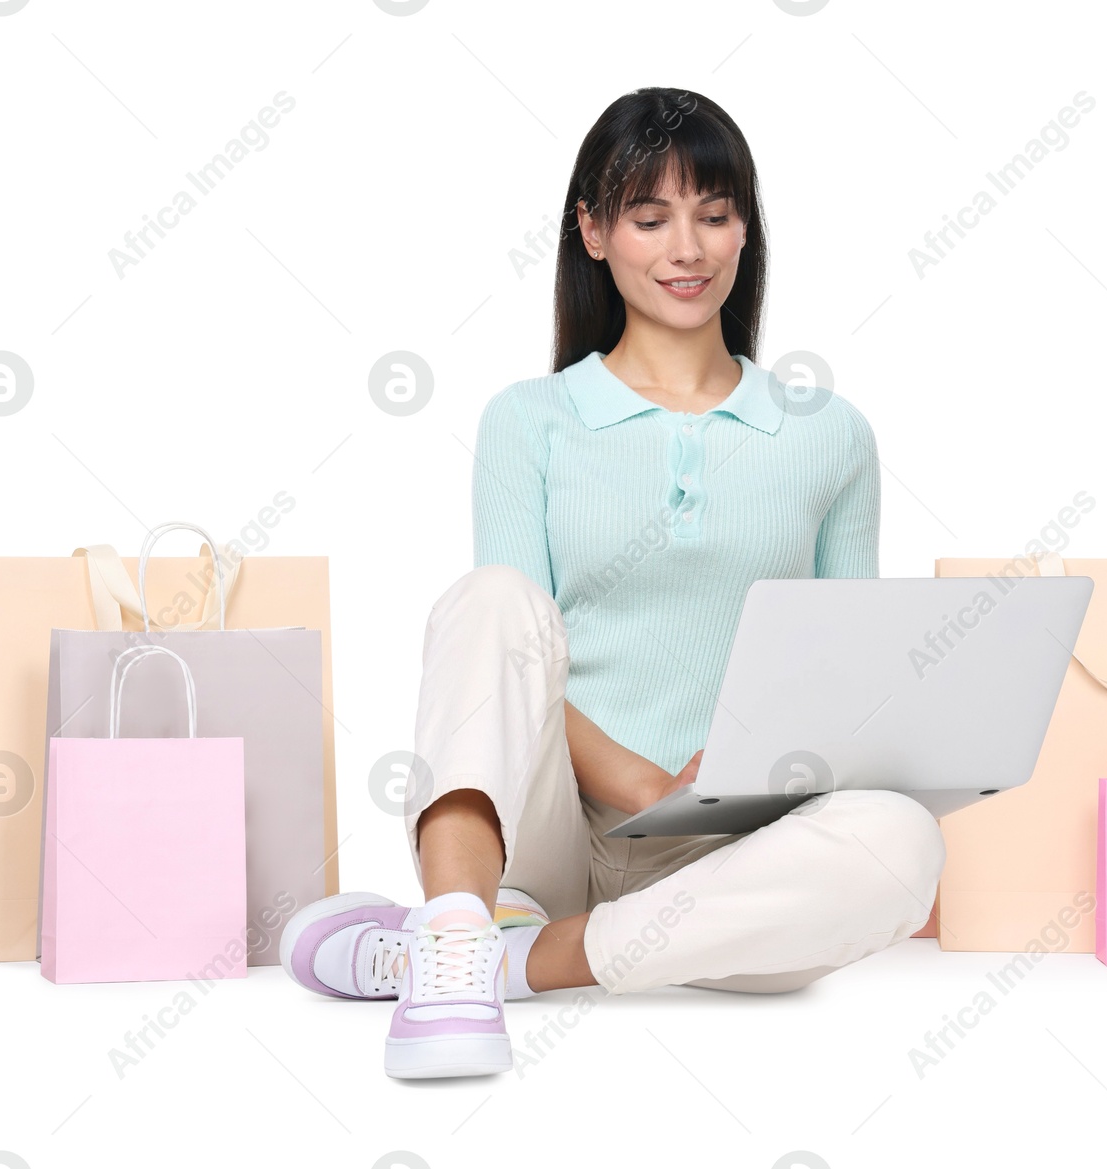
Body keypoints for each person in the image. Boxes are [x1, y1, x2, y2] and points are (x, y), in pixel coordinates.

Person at [279, 86, 946, 1079]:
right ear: (592, 231)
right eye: (649, 217)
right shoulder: (530, 420)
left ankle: (475, 957)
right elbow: (508, 658)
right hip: (549, 839)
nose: (689, 248)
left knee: (901, 838)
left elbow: (847, 675)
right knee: (488, 600)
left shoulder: (829, 436)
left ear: (745, 230)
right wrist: (644, 783)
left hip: (732, 863)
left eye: (715, 215)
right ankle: (464, 913)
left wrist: (752, 786)